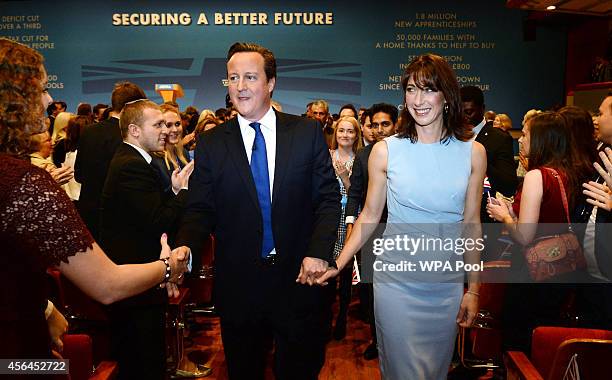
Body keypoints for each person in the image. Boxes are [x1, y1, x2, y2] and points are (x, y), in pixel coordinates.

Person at [0, 38, 188, 361]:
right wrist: (169, 268)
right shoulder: (24, 183)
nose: (49, 99)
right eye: (42, 89)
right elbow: (107, 284)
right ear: (13, 99)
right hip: (18, 357)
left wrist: (44, 308)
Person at [174, 42, 340, 380]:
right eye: (233, 77)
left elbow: (327, 199)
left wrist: (319, 253)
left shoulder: (306, 132)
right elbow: (200, 209)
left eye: (250, 77)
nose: (239, 85)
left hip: (300, 279)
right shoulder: (212, 142)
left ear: (271, 83)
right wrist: (184, 248)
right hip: (240, 287)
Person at [314, 54, 486, 379]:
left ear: (446, 96)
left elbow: (472, 225)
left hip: (445, 286)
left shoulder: (473, 153)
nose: (418, 100)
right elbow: (369, 215)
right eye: (410, 89)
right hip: (397, 283)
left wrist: (474, 290)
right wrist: (338, 263)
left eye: (427, 90)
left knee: (434, 372)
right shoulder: (386, 150)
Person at [99, 99, 193, 380]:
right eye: (158, 124)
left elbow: (149, 212)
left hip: (140, 281)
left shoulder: (137, 161)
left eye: (166, 124)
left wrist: (173, 190)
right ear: (134, 130)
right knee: (142, 361)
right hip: (135, 285)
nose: (165, 130)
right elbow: (158, 220)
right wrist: (183, 192)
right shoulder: (131, 166)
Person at [487, 112, 583, 350]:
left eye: (527, 134)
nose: (520, 139)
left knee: (518, 340)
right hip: (559, 270)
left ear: (541, 140)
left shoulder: (535, 175)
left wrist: (505, 217)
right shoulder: (563, 173)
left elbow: (524, 236)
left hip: (532, 272)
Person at [344, 102, 398, 360]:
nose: (379, 130)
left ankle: (396, 342)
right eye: (375, 125)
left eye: (385, 124)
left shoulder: (407, 153)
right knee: (370, 290)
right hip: (370, 231)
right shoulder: (364, 156)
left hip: (401, 231)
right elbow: (354, 193)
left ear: (395, 125)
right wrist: (351, 223)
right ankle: (377, 341)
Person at [74, 81, 147, 239]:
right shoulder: (132, 135)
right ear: (134, 106)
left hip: (88, 214)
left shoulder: (89, 131)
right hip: (121, 220)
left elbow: (78, 174)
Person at [461, 86, 517, 222]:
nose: (464, 117)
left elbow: (509, 186)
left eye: (469, 112)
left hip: (484, 218)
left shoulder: (499, 138)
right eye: (459, 112)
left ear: (482, 109)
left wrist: (481, 162)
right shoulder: (450, 136)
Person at [328, 116, 362, 341]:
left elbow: (356, 193)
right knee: (328, 268)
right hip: (329, 219)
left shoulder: (361, 160)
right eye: (342, 131)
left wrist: (343, 177)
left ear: (356, 135)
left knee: (346, 270)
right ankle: (326, 316)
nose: (345, 135)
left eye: (350, 131)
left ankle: (342, 317)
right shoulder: (326, 157)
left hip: (351, 219)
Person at [151, 104, 191, 192]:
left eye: (177, 124)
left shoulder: (184, 153)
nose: (175, 130)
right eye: (168, 125)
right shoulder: (154, 160)